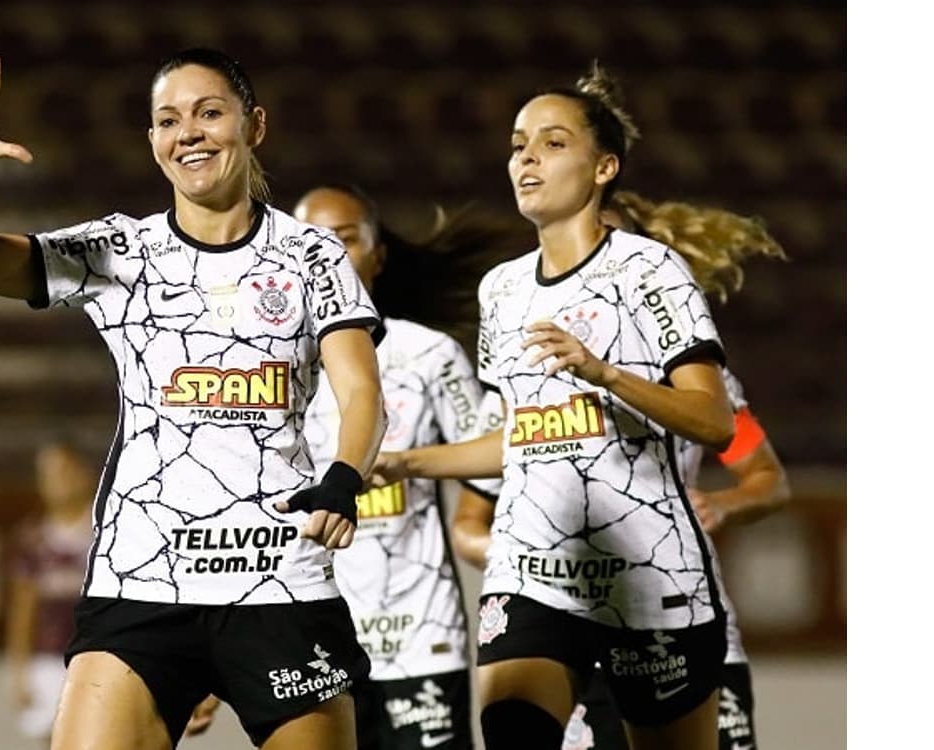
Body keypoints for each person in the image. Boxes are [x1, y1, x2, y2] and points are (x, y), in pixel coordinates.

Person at [0, 49, 387, 750]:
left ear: (253, 125)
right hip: (142, 581)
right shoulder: (118, 251)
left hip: (277, 582)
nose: (188, 132)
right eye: (168, 120)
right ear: (152, 144)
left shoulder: (312, 255)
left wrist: (344, 480)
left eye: (209, 113)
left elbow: (360, 390)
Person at [371, 63, 737, 750]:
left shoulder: (647, 270)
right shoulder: (502, 290)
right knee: (511, 728)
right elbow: (520, 436)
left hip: (647, 570)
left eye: (552, 142)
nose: (526, 157)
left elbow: (713, 421)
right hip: (534, 569)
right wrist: (402, 462)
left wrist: (604, 373)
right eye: (517, 144)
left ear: (604, 167)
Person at [184, 185, 525, 749]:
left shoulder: (428, 354)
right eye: (315, 240)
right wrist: (211, 664)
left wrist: (425, 481)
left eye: (347, 239)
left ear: (378, 253)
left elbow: (487, 464)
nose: (332, 254)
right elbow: (237, 513)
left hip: (420, 634)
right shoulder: (259, 359)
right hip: (308, 635)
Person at [451, 189, 793, 750]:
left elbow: (768, 478)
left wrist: (724, 503)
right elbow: (469, 521)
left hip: (674, 609)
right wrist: (541, 554)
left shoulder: (705, 385)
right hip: (569, 618)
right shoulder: (519, 389)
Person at [6, 441, 97, 745]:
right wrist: (18, 670)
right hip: (49, 657)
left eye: (64, 471)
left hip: (98, 655)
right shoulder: (33, 539)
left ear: (85, 474)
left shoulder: (107, 535)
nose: (56, 482)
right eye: (46, 474)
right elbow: (23, 607)